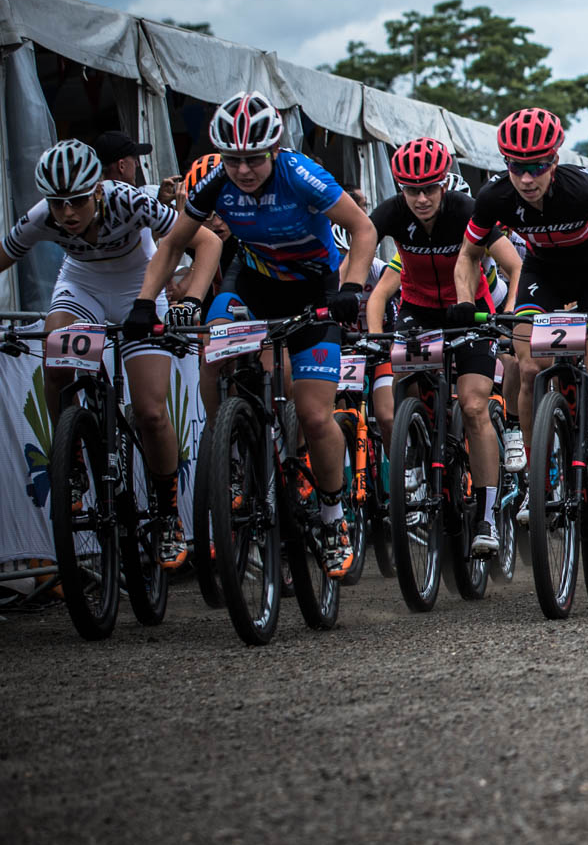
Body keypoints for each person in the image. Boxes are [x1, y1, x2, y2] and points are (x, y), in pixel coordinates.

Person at [139, 92, 379, 577]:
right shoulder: (214, 183)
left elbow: (364, 230)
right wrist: (146, 303)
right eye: (233, 160)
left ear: (273, 151)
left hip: (313, 290)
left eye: (253, 159)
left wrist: (351, 288)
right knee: (214, 347)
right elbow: (172, 243)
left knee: (314, 415)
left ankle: (335, 519)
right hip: (253, 283)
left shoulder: (300, 175)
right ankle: (227, 444)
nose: (243, 170)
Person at [0, 140, 223, 567]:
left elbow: (208, 242)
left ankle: (166, 511)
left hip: (140, 288)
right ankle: (75, 458)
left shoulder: (130, 200)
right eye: (58, 203)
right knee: (53, 358)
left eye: (77, 201)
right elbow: (5, 254)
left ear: (98, 191)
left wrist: (190, 301)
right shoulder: (41, 217)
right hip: (81, 287)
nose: (67, 214)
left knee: (152, 412)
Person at [450, 108, 588, 534]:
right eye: (517, 167)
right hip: (542, 276)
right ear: (506, 165)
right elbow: (468, 255)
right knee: (529, 367)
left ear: (554, 161)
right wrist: (464, 300)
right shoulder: (495, 197)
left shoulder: (583, 186)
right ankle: (541, 481)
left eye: (537, 167)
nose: (527, 178)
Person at [365, 139, 525, 555]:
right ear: (400, 188)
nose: (421, 198)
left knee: (473, 405)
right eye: (411, 189)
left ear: (443, 186)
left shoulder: (467, 212)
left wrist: (506, 315)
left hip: (469, 312)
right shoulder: (393, 212)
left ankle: (488, 518)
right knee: (406, 389)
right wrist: (349, 288)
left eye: (430, 189)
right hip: (419, 312)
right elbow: (363, 241)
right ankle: (414, 463)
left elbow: (514, 266)